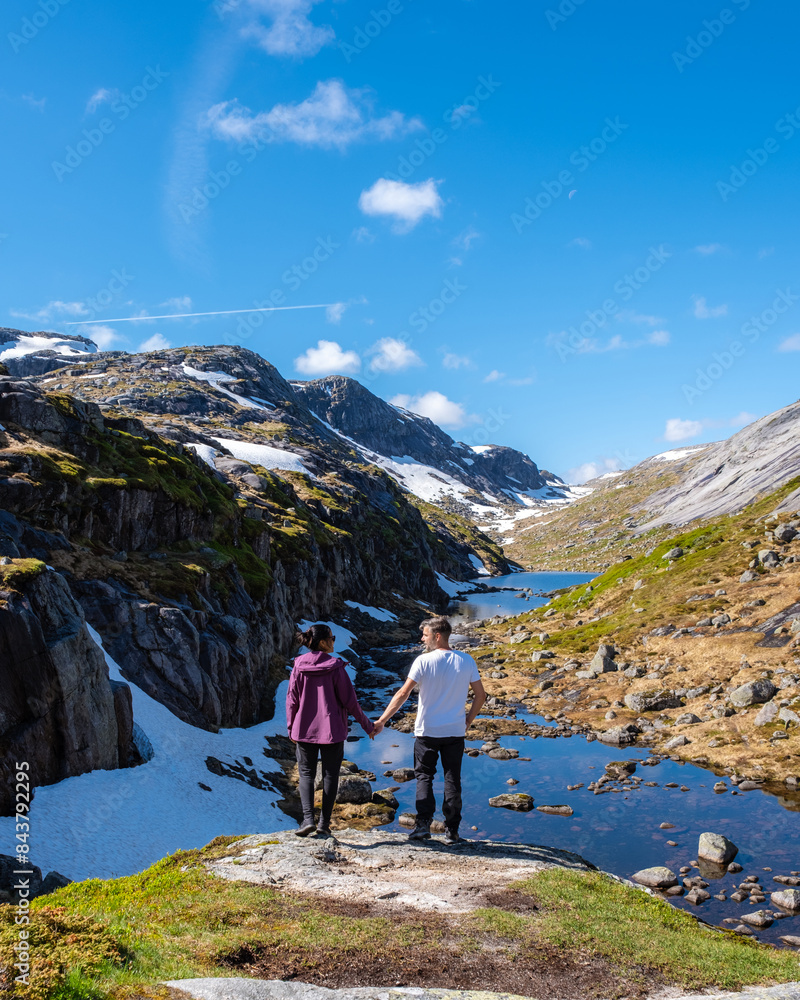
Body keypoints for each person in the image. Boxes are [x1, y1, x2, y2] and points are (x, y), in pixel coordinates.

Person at [373, 616, 486, 845]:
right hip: (455, 731)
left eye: (424, 635)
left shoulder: (423, 661)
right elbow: (481, 696)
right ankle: (452, 831)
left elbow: (403, 694)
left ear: (436, 636)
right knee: (452, 779)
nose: (422, 639)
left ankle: (423, 826)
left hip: (427, 731)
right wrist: (468, 720)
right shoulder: (466, 660)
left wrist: (382, 721)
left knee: (424, 777)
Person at [286, 623, 376, 838]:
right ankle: (324, 824)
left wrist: (291, 728)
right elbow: (350, 702)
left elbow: (292, 700)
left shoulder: (298, 666)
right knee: (330, 775)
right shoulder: (336, 667)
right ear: (324, 642)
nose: (334, 641)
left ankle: (307, 819)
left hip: (304, 729)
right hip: (332, 731)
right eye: (333, 638)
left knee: (306, 775)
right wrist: (368, 726)